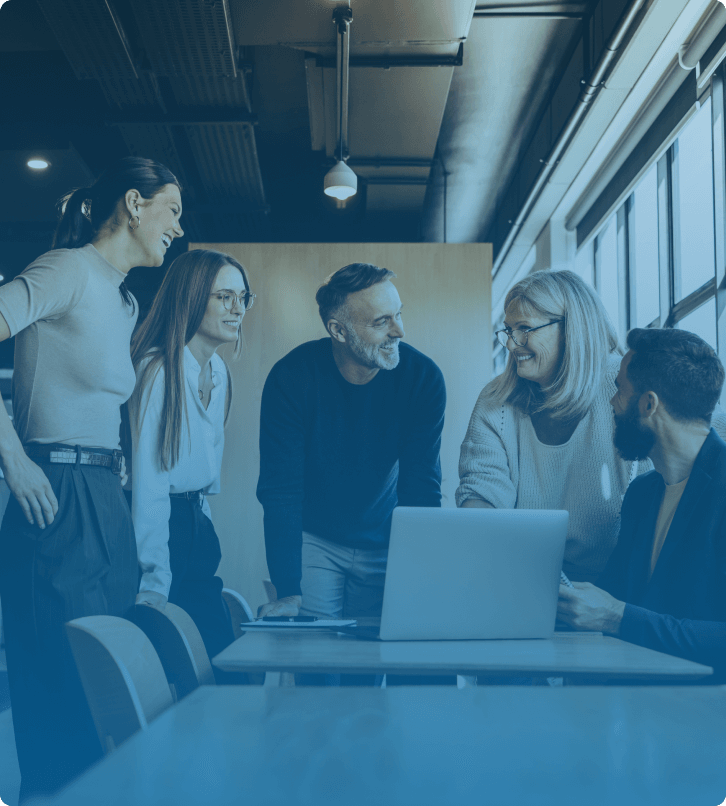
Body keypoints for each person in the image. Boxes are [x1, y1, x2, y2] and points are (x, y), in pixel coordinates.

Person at [0, 156, 183, 801]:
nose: (177, 229)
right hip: (54, 490)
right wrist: (14, 460)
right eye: (172, 211)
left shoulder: (123, 296)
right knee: (60, 693)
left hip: (104, 498)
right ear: (135, 203)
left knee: (108, 688)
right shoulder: (66, 269)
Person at [456, 269, 726, 582]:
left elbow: (699, 427)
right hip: (523, 576)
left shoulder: (624, 383)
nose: (513, 344)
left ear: (569, 329)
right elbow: (481, 490)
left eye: (525, 329)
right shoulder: (496, 400)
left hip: (617, 585)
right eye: (508, 330)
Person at [256, 263, 445, 683]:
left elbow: (421, 487)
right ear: (339, 331)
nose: (399, 330)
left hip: (388, 537)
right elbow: (281, 490)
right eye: (382, 321)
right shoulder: (292, 378)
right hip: (317, 540)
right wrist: (289, 589)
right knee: (316, 670)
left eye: (399, 314)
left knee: (377, 668)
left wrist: (423, 576)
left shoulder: (423, 379)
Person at [557, 328, 726, 681]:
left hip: (707, 717)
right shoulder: (643, 493)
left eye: (619, 389)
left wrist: (617, 616)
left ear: (649, 404)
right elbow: (614, 596)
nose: (612, 402)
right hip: (636, 704)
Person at [127, 249, 253, 670]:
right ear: (192, 297)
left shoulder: (219, 371)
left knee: (216, 656)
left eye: (243, 297)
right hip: (162, 530)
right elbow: (149, 484)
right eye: (224, 298)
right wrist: (155, 583)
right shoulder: (157, 369)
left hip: (197, 524)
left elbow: (204, 475)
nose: (238, 310)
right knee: (177, 663)